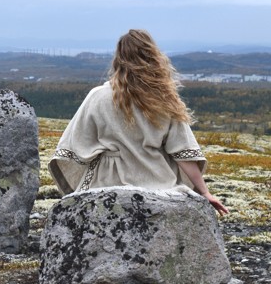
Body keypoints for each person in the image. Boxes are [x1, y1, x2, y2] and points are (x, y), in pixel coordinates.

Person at [48, 29, 229, 216]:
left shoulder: (97, 97)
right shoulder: (164, 100)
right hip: (158, 184)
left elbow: (74, 145)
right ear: (153, 56)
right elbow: (183, 151)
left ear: (118, 58)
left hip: (106, 185)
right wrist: (204, 192)